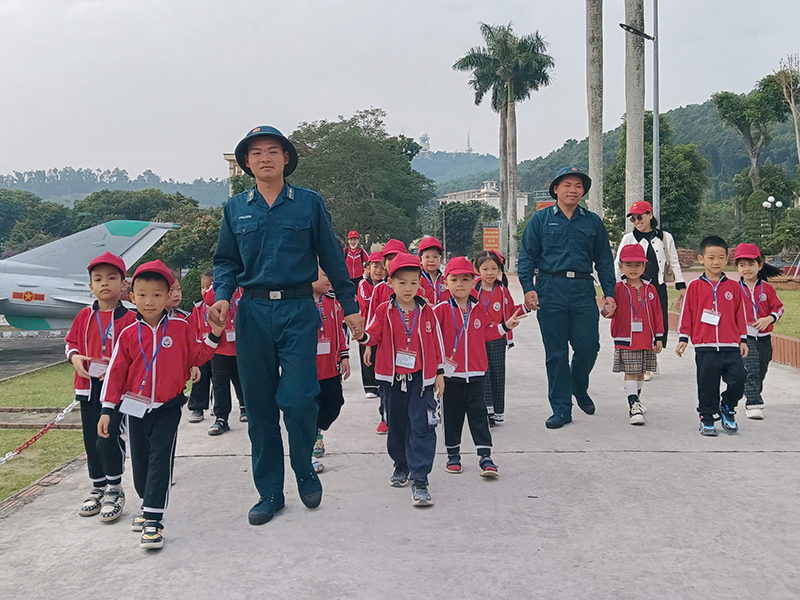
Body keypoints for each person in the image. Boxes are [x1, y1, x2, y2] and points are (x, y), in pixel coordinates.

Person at [209, 126, 362, 526]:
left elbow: (331, 255)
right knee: (259, 408)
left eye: (273, 151)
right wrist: (222, 296)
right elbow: (225, 261)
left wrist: (349, 305)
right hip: (252, 313)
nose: (264, 158)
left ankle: (305, 469)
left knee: (298, 399)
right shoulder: (235, 208)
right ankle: (269, 493)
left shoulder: (308, 204)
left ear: (286, 158)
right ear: (246, 163)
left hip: (298, 309)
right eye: (256, 152)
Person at [98, 260, 223, 549]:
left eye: (156, 294)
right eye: (142, 294)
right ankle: (145, 503)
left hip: (168, 407)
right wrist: (107, 409)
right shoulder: (128, 333)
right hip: (134, 409)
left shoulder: (180, 328)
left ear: (168, 296)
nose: (149, 301)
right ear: (131, 296)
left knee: (159, 460)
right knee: (140, 463)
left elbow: (199, 354)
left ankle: (154, 519)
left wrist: (215, 334)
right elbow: (116, 373)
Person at [518, 166, 617, 429]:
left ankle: (578, 385)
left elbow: (604, 260)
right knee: (556, 353)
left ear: (583, 191)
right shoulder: (540, 220)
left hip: (583, 289)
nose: (573, 190)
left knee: (588, 347)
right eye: (567, 185)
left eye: (578, 186)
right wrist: (528, 288)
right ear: (556, 189)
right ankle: (561, 408)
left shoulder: (592, 221)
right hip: (551, 288)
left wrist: (609, 293)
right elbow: (527, 256)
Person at [357, 254, 445, 506]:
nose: (408, 288)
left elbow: (437, 344)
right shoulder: (384, 310)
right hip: (392, 380)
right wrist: (362, 336)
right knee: (395, 425)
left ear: (420, 284)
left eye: (414, 283)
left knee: (423, 426)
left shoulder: (427, 311)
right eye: (402, 283)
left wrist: (439, 373)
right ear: (391, 284)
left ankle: (420, 477)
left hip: (421, 381)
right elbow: (372, 335)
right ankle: (401, 464)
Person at [434, 257, 525, 476]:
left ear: (473, 283)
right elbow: (432, 340)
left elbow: (487, 332)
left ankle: (485, 456)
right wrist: (436, 371)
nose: (460, 284)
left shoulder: (478, 309)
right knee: (452, 417)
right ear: (445, 283)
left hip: (476, 373)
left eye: (465, 279)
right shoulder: (440, 311)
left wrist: (505, 326)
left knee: (479, 416)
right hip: (450, 376)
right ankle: (453, 455)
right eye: (454, 280)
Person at [66, 252, 136, 522]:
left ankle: (115, 489)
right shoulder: (83, 316)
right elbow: (70, 343)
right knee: (90, 440)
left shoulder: (130, 319)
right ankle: (97, 486)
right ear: (90, 286)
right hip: (88, 387)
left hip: (116, 391)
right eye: (98, 279)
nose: (104, 283)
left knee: (108, 437)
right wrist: (75, 358)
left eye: (111, 278)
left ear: (123, 284)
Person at [676, 236, 748, 436]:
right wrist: (683, 337)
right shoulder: (695, 287)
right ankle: (707, 417)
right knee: (707, 384)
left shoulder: (734, 287)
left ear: (727, 259)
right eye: (711, 258)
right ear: (701, 259)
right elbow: (687, 313)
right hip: (705, 346)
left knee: (739, 379)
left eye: (721, 258)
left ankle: (727, 406)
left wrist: (742, 339)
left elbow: (740, 314)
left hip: (731, 345)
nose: (716, 262)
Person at [615, 200, 685, 380]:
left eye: (640, 217)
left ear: (650, 215)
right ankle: (645, 366)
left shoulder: (664, 237)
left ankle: (652, 356)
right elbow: (618, 264)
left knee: (658, 322)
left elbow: (674, 261)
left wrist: (681, 285)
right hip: (635, 288)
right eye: (633, 219)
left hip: (657, 287)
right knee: (640, 322)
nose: (637, 221)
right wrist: (617, 287)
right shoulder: (628, 238)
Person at [609, 244, 665, 425]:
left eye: (638, 265)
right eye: (629, 265)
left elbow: (658, 314)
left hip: (646, 338)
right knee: (631, 373)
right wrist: (606, 310)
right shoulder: (616, 288)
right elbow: (607, 310)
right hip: (626, 337)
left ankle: (637, 399)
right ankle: (633, 405)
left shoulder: (651, 289)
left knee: (641, 373)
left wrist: (659, 337)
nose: (633, 269)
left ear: (644, 266)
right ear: (621, 266)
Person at [364, 238, 414, 434]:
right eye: (389, 259)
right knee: (386, 385)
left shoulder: (414, 286)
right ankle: (385, 417)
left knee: (410, 384)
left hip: (410, 347)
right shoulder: (379, 289)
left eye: (397, 257)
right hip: (385, 347)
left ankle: (410, 416)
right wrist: (368, 346)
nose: (393, 262)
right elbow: (370, 321)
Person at [734, 243, 784, 420]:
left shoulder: (767, 289)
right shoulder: (734, 289)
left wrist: (769, 318)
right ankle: (753, 403)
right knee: (751, 367)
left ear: (760, 266)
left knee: (762, 368)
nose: (746, 269)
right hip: (745, 337)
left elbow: (779, 308)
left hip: (764, 337)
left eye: (750, 264)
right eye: (742, 265)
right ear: (737, 267)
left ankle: (753, 393)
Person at [311, 267, 350, 474]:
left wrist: (344, 355)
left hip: (331, 367)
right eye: (325, 275)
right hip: (308, 370)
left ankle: (318, 429)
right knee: (310, 409)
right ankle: (310, 448)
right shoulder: (301, 303)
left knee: (335, 403)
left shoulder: (332, 302)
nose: (329, 279)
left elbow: (339, 332)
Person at [205, 286, 246, 435]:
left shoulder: (245, 286)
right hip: (220, 346)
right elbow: (208, 299)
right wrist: (222, 286)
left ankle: (245, 407)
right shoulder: (219, 285)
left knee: (242, 380)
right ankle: (221, 418)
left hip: (243, 345)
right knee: (220, 384)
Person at [186, 271, 215, 423]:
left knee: (222, 378)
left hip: (219, 347)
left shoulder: (224, 305)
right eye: (202, 287)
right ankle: (197, 407)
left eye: (209, 286)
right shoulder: (197, 307)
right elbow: (193, 329)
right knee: (200, 377)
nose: (205, 290)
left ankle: (236, 406)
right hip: (202, 348)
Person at [357, 251, 385, 400]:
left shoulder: (387, 285)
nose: (379, 271)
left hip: (380, 325)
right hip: (365, 324)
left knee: (379, 353)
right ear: (368, 268)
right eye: (375, 266)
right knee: (366, 354)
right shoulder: (363, 284)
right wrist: (378, 294)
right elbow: (367, 300)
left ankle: (380, 383)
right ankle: (369, 386)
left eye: (382, 267)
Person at [418, 236, 449, 305]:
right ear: (420, 260)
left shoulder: (447, 281)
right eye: (427, 257)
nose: (431, 260)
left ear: (440, 259)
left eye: (435, 257)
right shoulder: (416, 281)